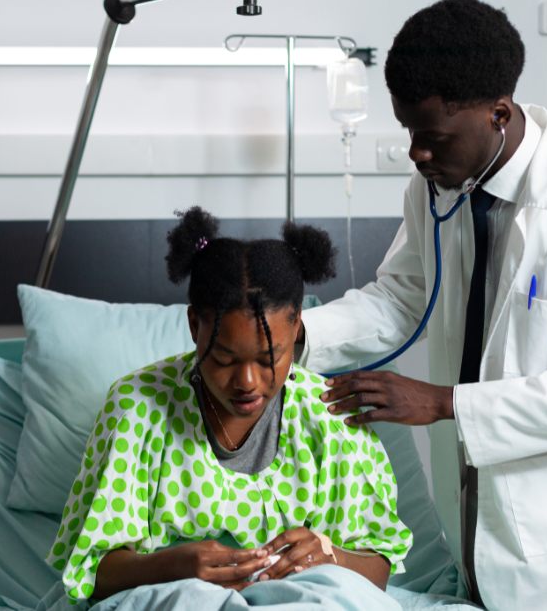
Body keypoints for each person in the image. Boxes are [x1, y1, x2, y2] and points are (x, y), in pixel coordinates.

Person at [296, 0, 547, 610]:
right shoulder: (439, 189)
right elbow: (404, 298)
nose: (416, 153)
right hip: (473, 534)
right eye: (409, 132)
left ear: (499, 113)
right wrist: (297, 336)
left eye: (433, 137)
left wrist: (444, 403)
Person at [46, 208, 412, 605]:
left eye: (269, 358)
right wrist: (172, 567)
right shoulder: (137, 408)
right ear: (194, 327)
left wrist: (330, 557)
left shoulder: (328, 417)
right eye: (224, 359)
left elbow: (377, 572)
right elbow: (91, 575)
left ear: (296, 328)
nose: (248, 382)